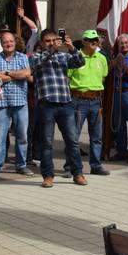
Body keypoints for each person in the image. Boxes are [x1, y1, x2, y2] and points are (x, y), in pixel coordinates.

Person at [30, 28, 86, 187]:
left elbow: (80, 62)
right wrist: (50, 50)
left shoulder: (63, 56)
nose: (51, 43)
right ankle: (48, 176)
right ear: (41, 43)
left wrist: (71, 47)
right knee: (47, 143)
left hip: (65, 104)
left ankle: (78, 173)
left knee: (72, 141)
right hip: (46, 105)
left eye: (54, 40)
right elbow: (35, 64)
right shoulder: (36, 56)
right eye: (47, 41)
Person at [0, 30, 33, 177]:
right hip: (1, 103)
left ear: (15, 42)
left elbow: (26, 74)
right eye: (5, 42)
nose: (8, 44)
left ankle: (21, 165)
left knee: (22, 136)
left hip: (20, 103)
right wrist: (15, 74)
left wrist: (5, 73)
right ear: (1, 44)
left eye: (11, 41)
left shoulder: (23, 57)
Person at [69, 30, 110, 176]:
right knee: (74, 135)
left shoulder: (102, 58)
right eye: (90, 39)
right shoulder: (76, 57)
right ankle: (70, 167)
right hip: (79, 100)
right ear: (84, 41)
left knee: (96, 136)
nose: (94, 42)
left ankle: (96, 166)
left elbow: (103, 77)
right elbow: (68, 78)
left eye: (96, 39)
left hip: (96, 100)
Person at [107, 33, 128, 163]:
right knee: (119, 124)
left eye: (126, 43)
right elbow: (107, 71)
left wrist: (125, 66)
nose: (124, 45)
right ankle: (122, 151)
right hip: (117, 93)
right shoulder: (117, 56)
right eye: (121, 43)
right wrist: (115, 62)